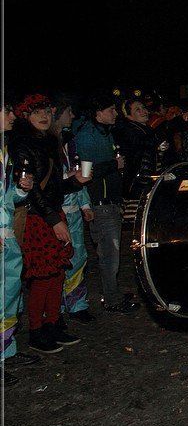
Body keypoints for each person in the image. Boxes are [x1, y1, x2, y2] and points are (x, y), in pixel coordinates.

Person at [10, 93, 88, 354]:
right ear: (25, 117)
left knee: (57, 273)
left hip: (52, 213)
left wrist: (75, 182)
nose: (43, 117)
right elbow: (30, 190)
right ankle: (36, 331)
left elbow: (52, 187)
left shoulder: (49, 141)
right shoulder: (23, 144)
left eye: (46, 112)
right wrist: (53, 220)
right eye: (36, 113)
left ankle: (52, 324)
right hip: (37, 217)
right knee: (42, 276)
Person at [73, 93, 139, 314]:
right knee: (110, 254)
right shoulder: (87, 135)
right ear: (98, 113)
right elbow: (86, 172)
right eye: (111, 109)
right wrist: (113, 164)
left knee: (113, 253)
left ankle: (112, 293)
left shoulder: (105, 133)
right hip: (100, 203)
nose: (115, 113)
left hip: (111, 201)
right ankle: (111, 299)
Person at [1, 97, 40, 386]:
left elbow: (6, 199)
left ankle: (7, 351)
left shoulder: (5, 151)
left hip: (7, 237)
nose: (13, 115)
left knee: (10, 298)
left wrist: (21, 190)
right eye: (6, 110)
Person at [49, 94, 96, 323]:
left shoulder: (68, 141)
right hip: (56, 212)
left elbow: (77, 174)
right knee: (56, 260)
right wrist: (69, 177)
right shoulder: (45, 143)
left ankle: (77, 304)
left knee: (78, 257)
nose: (73, 115)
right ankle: (54, 308)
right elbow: (48, 182)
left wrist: (85, 204)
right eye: (69, 111)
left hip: (73, 210)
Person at [113, 97, 161, 199]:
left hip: (149, 179)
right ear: (129, 116)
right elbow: (140, 145)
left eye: (143, 108)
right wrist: (157, 146)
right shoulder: (128, 130)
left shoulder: (148, 129)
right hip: (138, 182)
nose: (143, 111)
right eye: (137, 109)